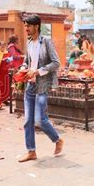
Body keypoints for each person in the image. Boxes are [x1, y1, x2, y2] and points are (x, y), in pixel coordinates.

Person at [18, 14, 64, 163]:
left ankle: (57, 140)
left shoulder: (47, 42)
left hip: (42, 85)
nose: (26, 29)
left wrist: (38, 71)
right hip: (29, 85)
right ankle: (31, 151)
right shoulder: (29, 43)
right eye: (25, 26)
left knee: (40, 119)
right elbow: (27, 61)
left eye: (28, 26)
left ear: (36, 26)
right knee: (28, 121)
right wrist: (23, 68)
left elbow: (56, 63)